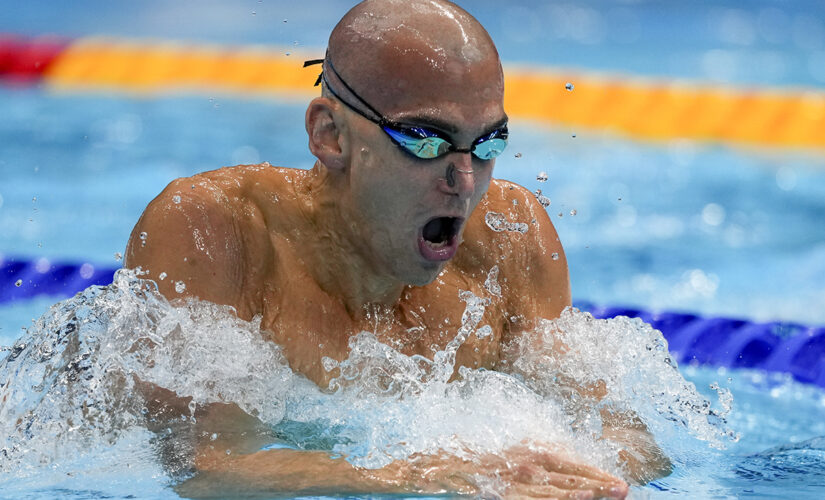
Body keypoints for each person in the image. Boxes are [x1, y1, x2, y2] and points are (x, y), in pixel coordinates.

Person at [125, 0, 670, 497]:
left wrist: (578, 472)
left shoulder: (509, 236)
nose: (464, 179)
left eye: (488, 144)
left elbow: (628, 433)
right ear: (330, 135)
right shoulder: (217, 232)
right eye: (426, 141)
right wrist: (418, 478)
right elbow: (206, 468)